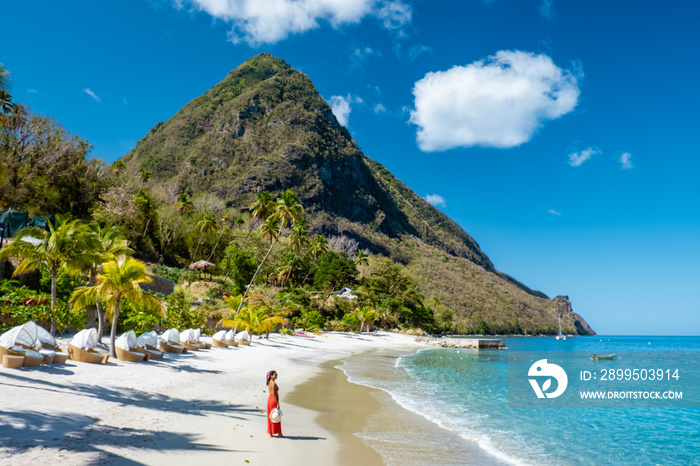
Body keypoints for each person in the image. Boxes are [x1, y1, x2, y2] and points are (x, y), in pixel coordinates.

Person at [266, 370, 283, 437]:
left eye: (276, 374)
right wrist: (278, 403)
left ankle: (271, 433)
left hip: (270, 399)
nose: (276, 376)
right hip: (273, 400)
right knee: (277, 416)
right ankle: (279, 433)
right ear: (271, 376)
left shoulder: (269, 382)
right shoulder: (273, 383)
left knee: (271, 416)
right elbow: (274, 394)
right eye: (275, 375)